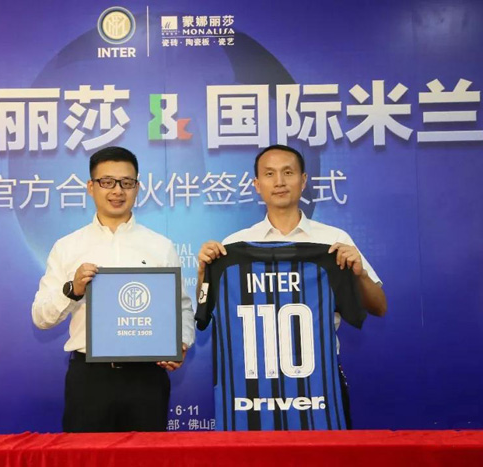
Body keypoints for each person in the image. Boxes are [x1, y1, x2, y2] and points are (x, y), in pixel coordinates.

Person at [196, 144, 386, 429]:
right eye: (269, 174)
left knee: (324, 451)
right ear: (257, 185)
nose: (279, 181)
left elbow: (379, 307)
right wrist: (204, 272)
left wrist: (358, 274)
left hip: (320, 378)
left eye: (288, 172)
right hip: (252, 383)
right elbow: (207, 309)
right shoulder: (233, 246)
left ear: (303, 180)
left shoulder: (334, 241)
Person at [32, 146, 195, 433]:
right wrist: (73, 289)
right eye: (107, 182)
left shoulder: (160, 246)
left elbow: (181, 307)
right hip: (90, 379)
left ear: (137, 188)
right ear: (91, 187)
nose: (117, 190)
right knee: (85, 455)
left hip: (146, 378)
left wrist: (179, 343)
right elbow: (41, 317)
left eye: (126, 183)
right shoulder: (67, 247)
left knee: (146, 455)